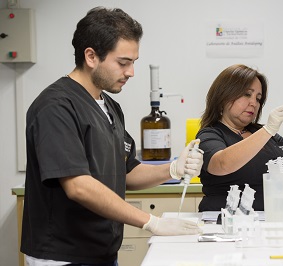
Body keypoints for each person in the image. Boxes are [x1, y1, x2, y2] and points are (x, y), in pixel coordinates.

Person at [21, 7, 203, 266]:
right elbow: (78, 186)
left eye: (133, 63)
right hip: (62, 255)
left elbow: (126, 172)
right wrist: (152, 222)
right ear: (91, 56)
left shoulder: (109, 106)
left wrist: (173, 169)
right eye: (123, 62)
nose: (131, 72)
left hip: (103, 251)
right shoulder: (56, 106)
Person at [196, 64, 283, 212]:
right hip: (225, 223)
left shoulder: (263, 133)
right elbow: (222, 164)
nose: (254, 103)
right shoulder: (210, 135)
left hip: (273, 221)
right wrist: (268, 130)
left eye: (258, 99)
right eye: (247, 94)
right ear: (223, 96)